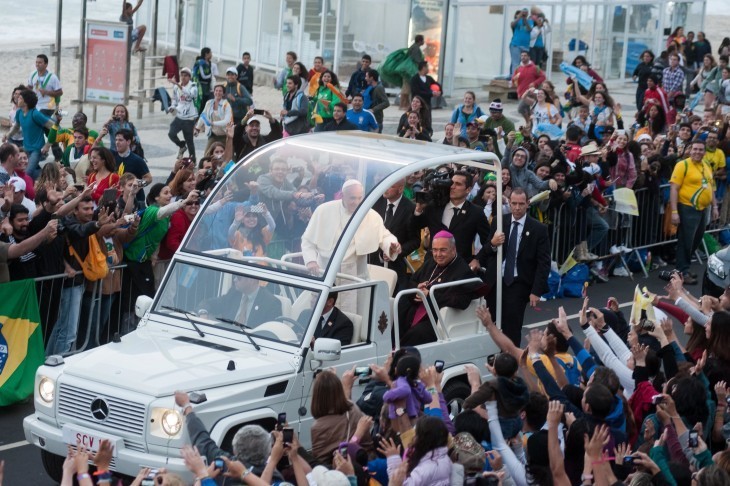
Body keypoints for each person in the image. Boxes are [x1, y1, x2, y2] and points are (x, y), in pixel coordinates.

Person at [301, 179, 401, 310]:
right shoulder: (323, 211)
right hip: (327, 273)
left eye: (360, 198)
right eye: (352, 198)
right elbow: (307, 240)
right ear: (342, 196)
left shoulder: (370, 215)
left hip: (356, 277)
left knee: (355, 318)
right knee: (322, 315)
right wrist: (311, 261)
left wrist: (392, 245)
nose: (357, 202)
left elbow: (385, 236)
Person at [483, 188, 551, 346]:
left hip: (518, 282)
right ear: (509, 203)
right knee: (490, 323)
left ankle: (511, 361)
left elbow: (543, 262)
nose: (517, 207)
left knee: (511, 325)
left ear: (528, 204)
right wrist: (493, 244)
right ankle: (493, 357)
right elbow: (486, 250)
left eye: (521, 204)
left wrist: (536, 291)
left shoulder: (538, 229)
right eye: (514, 203)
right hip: (495, 281)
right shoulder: (499, 222)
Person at [397, 230, 479, 346]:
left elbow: (461, 301)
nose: (438, 254)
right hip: (417, 310)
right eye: (435, 250)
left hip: (438, 319)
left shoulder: (463, 271)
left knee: (416, 333)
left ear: (453, 249)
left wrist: (430, 295)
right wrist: (417, 289)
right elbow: (413, 280)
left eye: (443, 250)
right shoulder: (431, 263)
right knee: (397, 317)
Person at [413, 170, 490, 270]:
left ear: (468, 189)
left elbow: (487, 241)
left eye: (458, 184)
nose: (452, 187)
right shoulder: (434, 206)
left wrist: (477, 259)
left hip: (459, 268)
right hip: (431, 265)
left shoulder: (476, 212)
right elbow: (414, 226)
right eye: (451, 183)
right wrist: (418, 210)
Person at [670, 140, 719, 284]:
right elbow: (674, 189)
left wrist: (715, 206)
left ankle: (684, 267)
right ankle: (681, 272)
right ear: (690, 150)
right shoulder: (682, 165)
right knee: (686, 241)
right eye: (695, 149)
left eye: (701, 150)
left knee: (696, 240)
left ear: (704, 152)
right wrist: (674, 211)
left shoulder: (706, 165)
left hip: (703, 209)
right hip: (687, 208)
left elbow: (710, 186)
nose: (697, 152)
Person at [370, 179, 420, 293]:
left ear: (400, 188)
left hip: (395, 266)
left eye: (390, 186)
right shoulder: (375, 202)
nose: (385, 189)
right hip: (372, 262)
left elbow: (415, 240)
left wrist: (397, 251)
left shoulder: (410, 208)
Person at [2, 89, 55, 180]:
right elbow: (16, 126)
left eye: (20, 98)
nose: (17, 99)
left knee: (27, 172)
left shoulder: (35, 114)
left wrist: (47, 145)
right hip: (25, 148)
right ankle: (43, 178)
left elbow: (54, 127)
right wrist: (8, 135)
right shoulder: (19, 112)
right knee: (26, 171)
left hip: (37, 150)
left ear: (26, 102)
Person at [200, 274, 282, 328]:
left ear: (252, 280)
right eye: (234, 277)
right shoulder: (234, 293)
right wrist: (203, 313)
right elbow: (210, 303)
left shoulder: (271, 303)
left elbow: (271, 334)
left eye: (239, 278)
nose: (234, 280)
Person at [27, 54, 63, 162]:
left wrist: (46, 92)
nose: (37, 64)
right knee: (48, 130)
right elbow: (29, 87)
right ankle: (56, 152)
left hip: (48, 106)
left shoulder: (52, 77)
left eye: (40, 62)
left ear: (46, 64)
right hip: (36, 106)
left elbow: (60, 92)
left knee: (39, 127)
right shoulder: (33, 74)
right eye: (36, 62)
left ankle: (41, 153)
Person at [167, 67, 198, 160]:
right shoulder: (176, 87)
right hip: (179, 115)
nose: (183, 77)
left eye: (186, 76)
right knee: (171, 133)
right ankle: (181, 145)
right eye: (182, 75)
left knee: (189, 139)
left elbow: (190, 94)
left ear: (189, 77)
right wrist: (172, 107)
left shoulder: (193, 86)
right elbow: (175, 100)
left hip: (190, 117)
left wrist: (177, 84)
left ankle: (193, 160)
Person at [194, 84, 232, 151]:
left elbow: (227, 121)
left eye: (220, 91)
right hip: (213, 134)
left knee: (228, 157)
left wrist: (213, 123)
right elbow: (203, 116)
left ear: (223, 94)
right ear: (214, 92)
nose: (218, 93)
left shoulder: (226, 105)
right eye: (216, 91)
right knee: (206, 155)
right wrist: (197, 128)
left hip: (224, 135)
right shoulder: (209, 103)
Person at [401, 35, 425, 110]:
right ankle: (404, 105)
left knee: (406, 86)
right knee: (407, 87)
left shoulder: (413, 47)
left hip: (408, 70)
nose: (423, 42)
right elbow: (416, 59)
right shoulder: (415, 48)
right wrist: (422, 63)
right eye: (423, 40)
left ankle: (405, 104)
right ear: (420, 41)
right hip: (410, 70)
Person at [362, 69, 389, 133]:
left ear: (371, 78)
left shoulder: (379, 88)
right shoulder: (370, 87)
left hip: (376, 120)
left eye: (366, 76)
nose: (365, 78)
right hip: (368, 119)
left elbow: (386, 102)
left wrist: (373, 109)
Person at [509, 8, 534, 76]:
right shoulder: (516, 21)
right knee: (515, 63)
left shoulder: (530, 21)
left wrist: (525, 19)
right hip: (515, 45)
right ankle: (514, 79)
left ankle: (523, 77)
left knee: (525, 63)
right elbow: (512, 25)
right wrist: (519, 17)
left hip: (525, 46)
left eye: (525, 12)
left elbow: (529, 29)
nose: (524, 14)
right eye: (523, 12)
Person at [192, 47, 213, 111]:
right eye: (210, 53)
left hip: (207, 86)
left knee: (206, 102)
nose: (212, 54)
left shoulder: (209, 62)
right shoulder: (200, 62)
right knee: (201, 101)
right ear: (206, 54)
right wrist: (211, 75)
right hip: (201, 86)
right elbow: (203, 75)